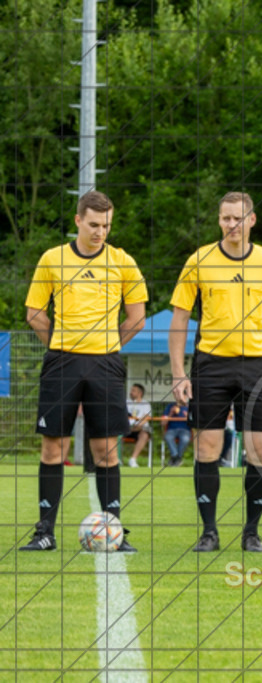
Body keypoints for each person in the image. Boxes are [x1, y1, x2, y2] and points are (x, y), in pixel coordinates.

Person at [169, 191, 262, 553]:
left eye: (238, 218)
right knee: (207, 448)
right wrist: (179, 372)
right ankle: (209, 532)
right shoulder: (199, 260)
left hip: (256, 366)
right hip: (210, 364)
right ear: (219, 220)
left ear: (252, 220)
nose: (231, 225)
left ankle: (251, 532)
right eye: (225, 218)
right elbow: (180, 319)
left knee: (260, 452)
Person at [20, 190, 147, 552]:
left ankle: (115, 531)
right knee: (53, 447)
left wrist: (106, 344)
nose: (100, 232)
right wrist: (62, 342)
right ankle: (44, 531)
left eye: (106, 225)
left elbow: (136, 317)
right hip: (62, 361)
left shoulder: (123, 262)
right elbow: (34, 312)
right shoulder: (52, 259)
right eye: (93, 224)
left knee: (106, 449)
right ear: (78, 220)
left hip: (105, 362)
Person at [125, 383, 153, 468]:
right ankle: (115, 459)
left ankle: (133, 459)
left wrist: (138, 425)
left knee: (145, 434)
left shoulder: (146, 404)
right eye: (131, 390)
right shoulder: (126, 403)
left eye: (133, 391)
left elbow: (147, 417)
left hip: (139, 429)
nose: (131, 392)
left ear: (140, 393)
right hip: (126, 428)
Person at [161, 400, 191, 466]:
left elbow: (194, 422)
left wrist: (188, 417)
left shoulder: (190, 407)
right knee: (168, 437)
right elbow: (163, 423)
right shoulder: (170, 406)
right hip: (171, 429)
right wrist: (170, 413)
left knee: (185, 439)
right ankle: (176, 457)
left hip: (185, 430)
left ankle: (174, 459)